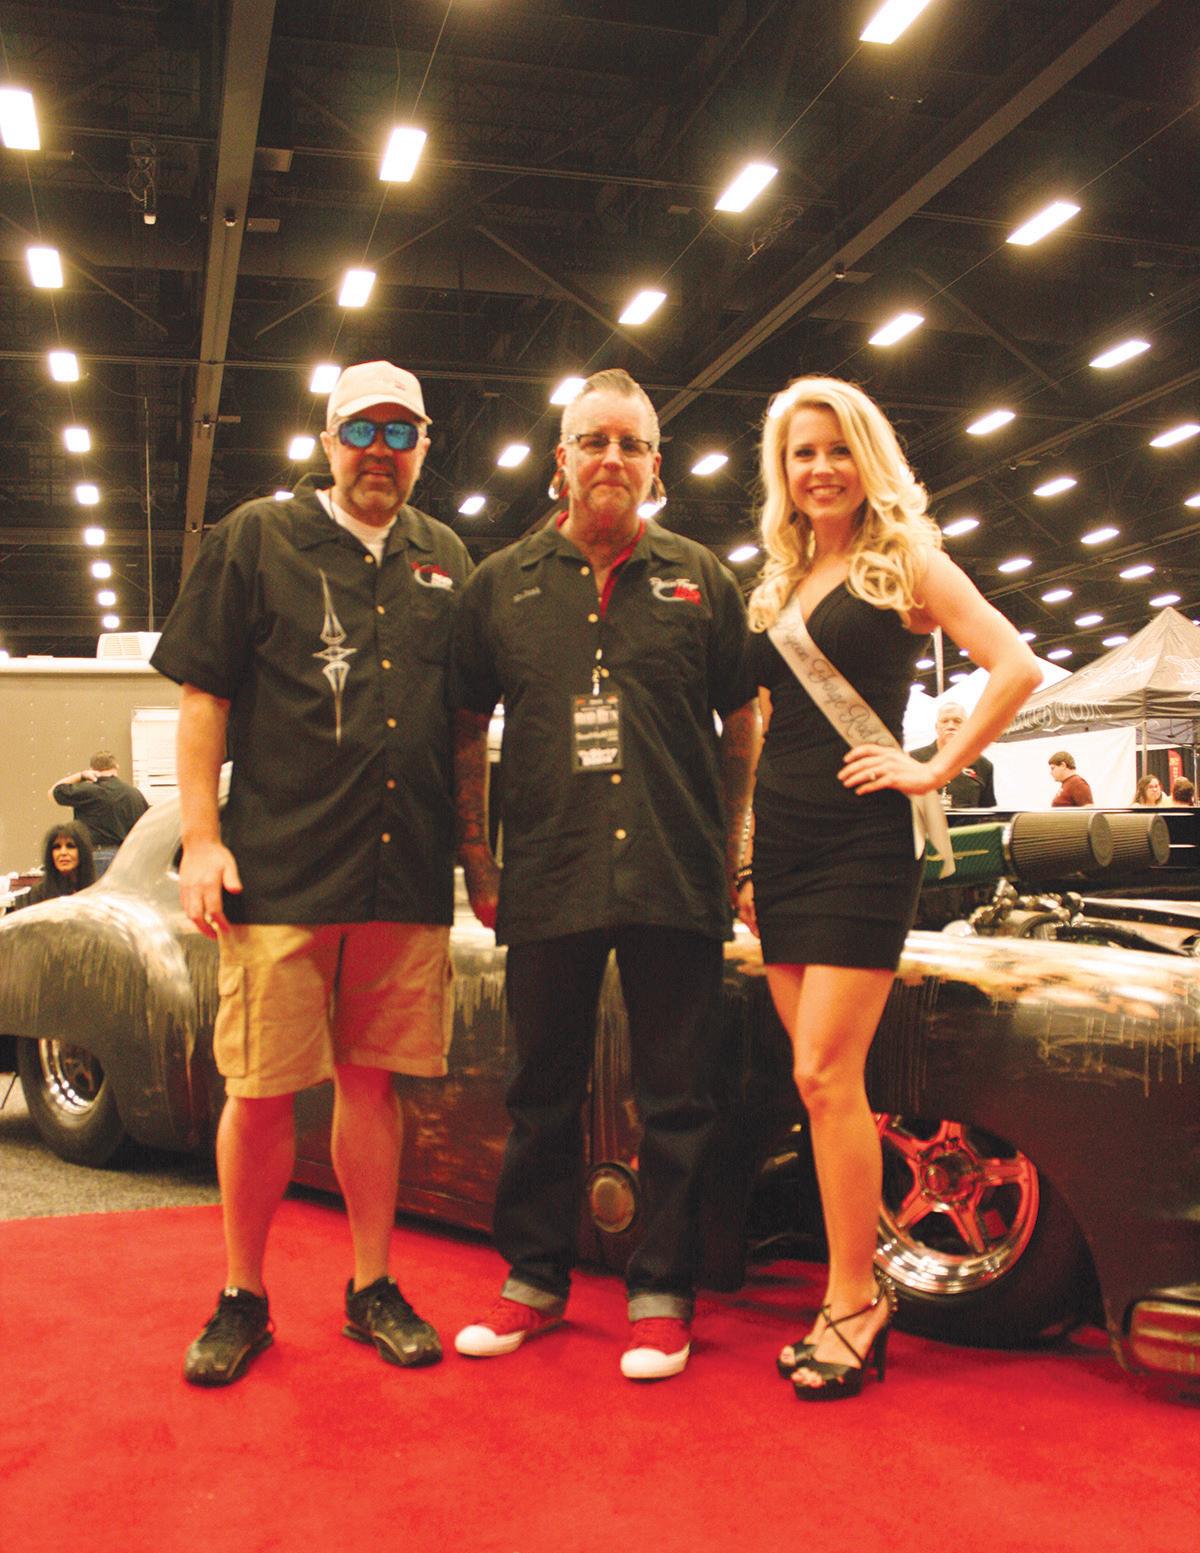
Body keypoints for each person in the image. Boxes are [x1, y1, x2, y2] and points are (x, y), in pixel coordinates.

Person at [150, 360, 480, 1387]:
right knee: (258, 1090)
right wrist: (203, 840)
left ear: (423, 447)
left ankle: (371, 1285)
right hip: (281, 872)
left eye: (400, 434)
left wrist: (476, 856)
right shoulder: (258, 537)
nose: (379, 452)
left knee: (373, 1086)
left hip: (403, 875)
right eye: (360, 432)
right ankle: (242, 1295)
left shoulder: (445, 556)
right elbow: (203, 698)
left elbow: (466, 726)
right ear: (328, 440)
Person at [450, 368, 758, 1381]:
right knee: (539, 1087)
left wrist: (732, 846)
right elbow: (465, 723)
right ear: (562, 461)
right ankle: (533, 1279)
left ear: (656, 466)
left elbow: (742, 718)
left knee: (678, 1095)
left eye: (631, 443)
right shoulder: (502, 583)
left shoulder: (701, 579)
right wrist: (478, 853)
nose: (612, 459)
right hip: (548, 868)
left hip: (675, 867)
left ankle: (663, 1293)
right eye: (594, 441)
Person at [737, 375, 1039, 1402]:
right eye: (801, 453)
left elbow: (1015, 664)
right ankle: (847, 1291)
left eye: (837, 449)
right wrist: (746, 850)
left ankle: (856, 1299)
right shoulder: (780, 578)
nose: (820, 469)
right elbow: (765, 722)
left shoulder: (905, 559)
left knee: (826, 1073)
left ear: (868, 458)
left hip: (863, 843)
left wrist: (934, 765)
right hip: (783, 842)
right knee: (824, 1089)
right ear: (781, 471)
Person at [49, 750, 148, 872]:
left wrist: (81, 776)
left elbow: (53, 792)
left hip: (95, 856)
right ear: (116, 767)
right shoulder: (134, 794)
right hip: (127, 858)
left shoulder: (89, 791)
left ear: (92, 769)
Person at [911, 700, 996, 807]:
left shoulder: (983, 765)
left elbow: (988, 811)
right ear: (936, 727)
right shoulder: (913, 760)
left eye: (957, 721)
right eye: (945, 721)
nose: (950, 726)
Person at [20, 821, 97, 904]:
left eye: (70, 846)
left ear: (83, 852)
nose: (63, 852)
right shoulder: (39, 892)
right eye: (57, 847)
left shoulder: (95, 891)